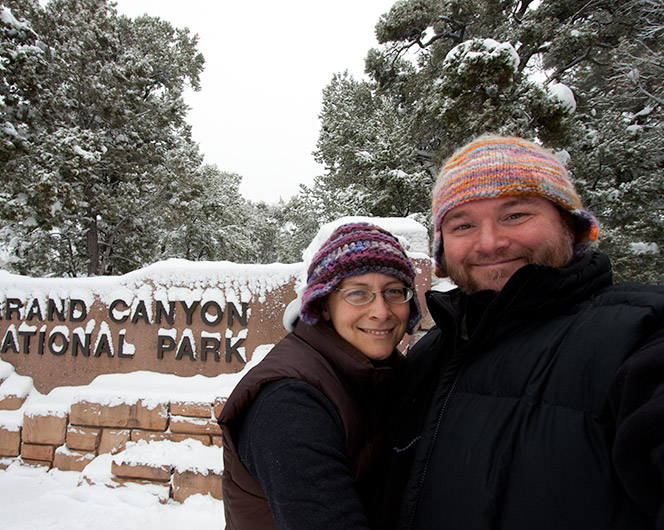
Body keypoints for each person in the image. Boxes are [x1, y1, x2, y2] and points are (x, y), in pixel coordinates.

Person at [383, 135, 664, 530]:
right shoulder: (429, 354)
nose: (491, 242)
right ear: (443, 251)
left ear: (570, 223)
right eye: (463, 224)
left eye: (515, 215)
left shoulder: (642, 333)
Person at [219, 222, 423, 530]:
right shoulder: (290, 404)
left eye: (394, 292)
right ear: (324, 305)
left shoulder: (380, 377)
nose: (381, 311)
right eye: (358, 293)